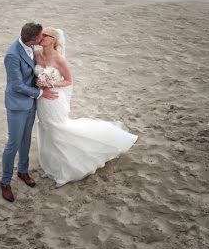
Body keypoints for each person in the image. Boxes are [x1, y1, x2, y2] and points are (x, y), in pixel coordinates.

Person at [35, 28, 137, 188]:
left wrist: (51, 83)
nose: (41, 38)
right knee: (47, 131)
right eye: (41, 35)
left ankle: (65, 172)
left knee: (58, 130)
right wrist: (39, 85)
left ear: (53, 39)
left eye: (45, 35)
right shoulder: (37, 54)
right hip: (42, 100)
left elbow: (69, 80)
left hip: (55, 100)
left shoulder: (59, 59)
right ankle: (52, 167)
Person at [0, 22, 58, 202]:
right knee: (13, 144)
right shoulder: (12, 55)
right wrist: (41, 92)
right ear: (32, 39)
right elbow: (17, 85)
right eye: (41, 36)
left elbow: (34, 73)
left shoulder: (33, 48)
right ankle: (5, 181)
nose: (43, 38)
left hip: (31, 104)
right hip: (17, 105)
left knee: (26, 140)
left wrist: (44, 79)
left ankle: (23, 172)